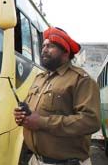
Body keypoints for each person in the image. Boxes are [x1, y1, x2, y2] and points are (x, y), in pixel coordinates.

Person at [14, 27, 101, 165]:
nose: (44, 50)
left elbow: (91, 121)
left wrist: (42, 122)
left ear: (65, 52)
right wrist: (22, 116)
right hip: (36, 160)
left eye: (51, 46)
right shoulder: (39, 78)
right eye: (43, 46)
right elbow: (33, 113)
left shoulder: (81, 80)